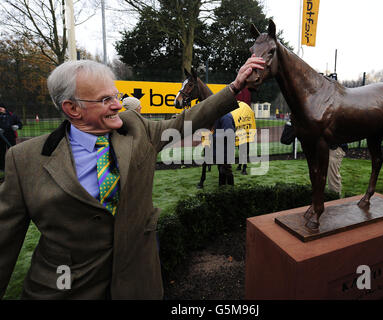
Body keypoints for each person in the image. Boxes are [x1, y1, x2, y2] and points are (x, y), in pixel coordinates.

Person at [0, 57, 265, 299]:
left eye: (116, 95)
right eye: (106, 100)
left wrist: (234, 86)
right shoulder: (24, 159)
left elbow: (188, 119)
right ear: (72, 108)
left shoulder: (137, 129)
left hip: (138, 286)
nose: (118, 104)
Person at [212, 112, 236, 186]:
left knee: (226, 169)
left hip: (225, 148)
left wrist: (214, 136)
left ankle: (230, 189)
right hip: (221, 147)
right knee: (221, 169)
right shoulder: (220, 115)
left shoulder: (226, 116)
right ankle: (222, 187)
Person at [0, 104, 22, 172]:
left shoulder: (12, 116)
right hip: (1, 137)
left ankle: (14, 166)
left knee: (12, 151)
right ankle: (2, 168)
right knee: (1, 152)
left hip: (10, 137)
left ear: (4, 108)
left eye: (1, 107)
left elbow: (20, 124)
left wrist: (17, 126)